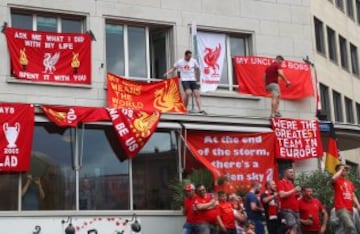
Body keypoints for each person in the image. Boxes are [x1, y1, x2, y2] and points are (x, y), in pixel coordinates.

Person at [331, 163, 360, 234]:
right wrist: (341, 169)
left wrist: (358, 205)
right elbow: (333, 178)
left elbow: (353, 195)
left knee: (348, 228)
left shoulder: (349, 182)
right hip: (341, 208)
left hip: (350, 208)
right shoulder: (337, 181)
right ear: (338, 170)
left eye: (345, 169)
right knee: (350, 226)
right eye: (342, 169)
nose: (345, 170)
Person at [278, 167, 302, 234]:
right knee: (293, 226)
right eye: (290, 172)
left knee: (297, 229)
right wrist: (294, 190)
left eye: (293, 172)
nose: (292, 174)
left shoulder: (291, 183)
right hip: (288, 210)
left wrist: (297, 195)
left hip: (295, 210)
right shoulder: (281, 182)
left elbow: (290, 195)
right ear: (285, 174)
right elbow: (282, 195)